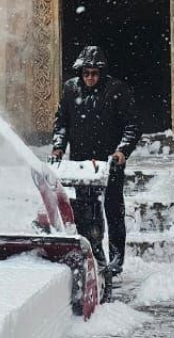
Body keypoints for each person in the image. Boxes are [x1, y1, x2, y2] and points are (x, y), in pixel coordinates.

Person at [51, 45, 141, 276]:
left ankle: (116, 260)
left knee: (113, 209)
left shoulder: (116, 90)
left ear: (102, 72)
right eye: (86, 73)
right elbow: (62, 121)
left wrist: (122, 151)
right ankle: (96, 256)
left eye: (95, 73)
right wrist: (59, 146)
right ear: (80, 72)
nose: (90, 77)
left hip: (109, 162)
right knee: (86, 211)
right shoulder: (71, 89)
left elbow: (132, 125)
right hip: (82, 163)